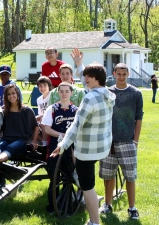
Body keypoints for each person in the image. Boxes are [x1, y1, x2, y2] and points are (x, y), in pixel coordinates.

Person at [50, 63, 116, 225]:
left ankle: (94, 222)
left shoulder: (89, 97)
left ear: (97, 78)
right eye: (84, 75)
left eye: (88, 77)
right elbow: (88, 86)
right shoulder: (106, 93)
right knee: (88, 181)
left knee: (87, 186)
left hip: (87, 149)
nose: (84, 79)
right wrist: (80, 65)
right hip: (102, 147)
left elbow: (77, 125)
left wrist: (63, 145)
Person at [98, 63, 143, 220]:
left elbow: (139, 118)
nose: (122, 77)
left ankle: (132, 208)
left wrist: (135, 141)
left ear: (128, 74)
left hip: (127, 141)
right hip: (108, 142)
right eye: (119, 74)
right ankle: (107, 204)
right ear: (114, 73)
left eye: (124, 74)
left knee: (130, 176)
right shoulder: (107, 92)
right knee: (108, 176)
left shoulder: (136, 93)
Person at [0, 84, 39, 169]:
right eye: (8, 94)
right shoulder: (4, 110)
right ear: (6, 96)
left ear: (17, 94)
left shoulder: (27, 110)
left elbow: (36, 127)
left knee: (10, 148)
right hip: (6, 139)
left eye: (13, 93)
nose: (11, 96)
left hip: (20, 140)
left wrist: (34, 141)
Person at [41, 82, 78, 213]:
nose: (64, 93)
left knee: (68, 178)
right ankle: (52, 206)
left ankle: (66, 205)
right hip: (54, 148)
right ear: (58, 93)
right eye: (61, 91)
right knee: (54, 178)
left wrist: (68, 138)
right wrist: (62, 135)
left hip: (70, 149)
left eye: (66, 91)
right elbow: (47, 129)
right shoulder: (52, 109)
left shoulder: (76, 111)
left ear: (71, 93)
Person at [36, 76, 52, 146]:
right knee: (29, 123)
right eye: (40, 86)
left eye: (45, 85)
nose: (42, 88)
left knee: (43, 119)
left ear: (49, 85)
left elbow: (51, 111)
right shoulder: (39, 99)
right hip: (42, 121)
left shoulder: (52, 95)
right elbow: (40, 113)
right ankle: (42, 140)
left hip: (51, 118)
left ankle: (45, 144)